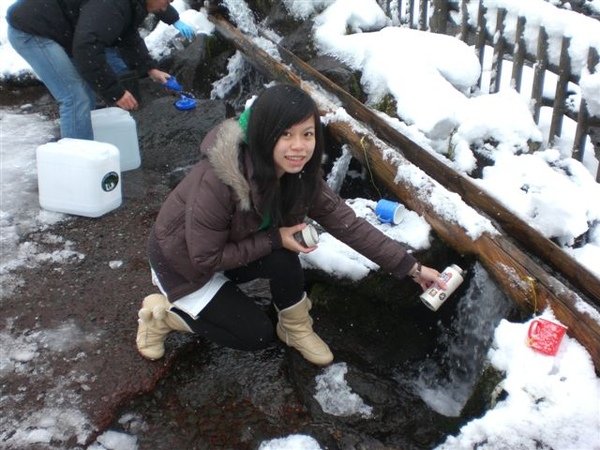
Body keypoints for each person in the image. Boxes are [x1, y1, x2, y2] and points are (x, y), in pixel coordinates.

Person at [136, 84, 444, 366]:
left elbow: (347, 224)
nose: (299, 146)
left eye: (307, 134)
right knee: (254, 334)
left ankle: (294, 328)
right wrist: (274, 239)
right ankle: (162, 316)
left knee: (285, 256)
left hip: (230, 247)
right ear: (263, 133)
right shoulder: (220, 180)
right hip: (183, 263)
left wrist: (411, 269)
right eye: (286, 134)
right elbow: (204, 257)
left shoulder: (301, 174)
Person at [6, 0, 194, 140]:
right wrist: (116, 92)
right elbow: (87, 49)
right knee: (74, 97)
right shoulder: (111, 6)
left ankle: (87, 148)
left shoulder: (132, 5)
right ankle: (77, 165)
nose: (171, 1)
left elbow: (126, 35)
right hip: (32, 30)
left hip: (64, 30)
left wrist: (150, 68)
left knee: (86, 95)